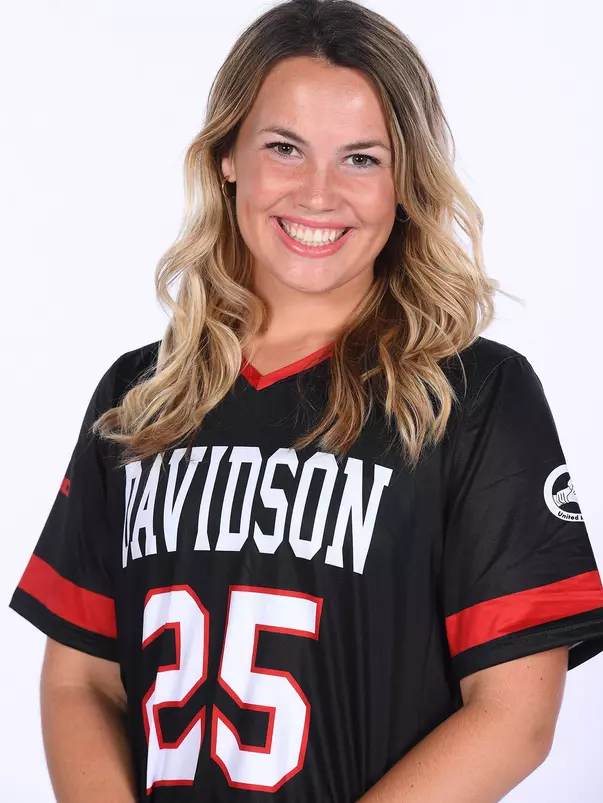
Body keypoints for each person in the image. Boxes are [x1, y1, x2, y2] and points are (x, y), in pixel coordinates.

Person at [9, 1, 603, 801]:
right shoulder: (137, 397)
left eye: (360, 158)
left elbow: (514, 714)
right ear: (227, 155)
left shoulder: (475, 396)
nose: (318, 193)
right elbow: (79, 680)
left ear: (405, 181)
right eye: (284, 147)